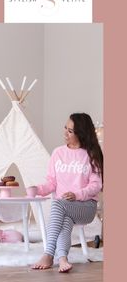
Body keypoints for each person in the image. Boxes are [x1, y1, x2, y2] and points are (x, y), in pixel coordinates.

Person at [32, 113, 103, 273]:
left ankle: (48, 254)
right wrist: (37, 190)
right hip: (65, 208)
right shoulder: (58, 153)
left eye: (70, 131)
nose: (65, 133)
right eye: (65, 128)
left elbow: (96, 185)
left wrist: (77, 194)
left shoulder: (91, 155)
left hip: (86, 206)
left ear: (81, 134)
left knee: (58, 204)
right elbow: (52, 183)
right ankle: (63, 258)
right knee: (65, 219)